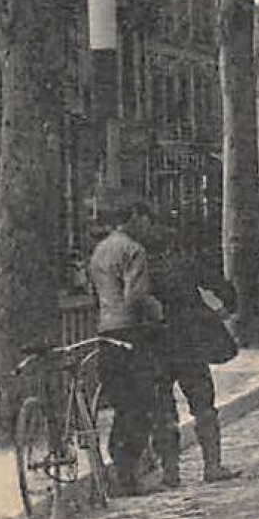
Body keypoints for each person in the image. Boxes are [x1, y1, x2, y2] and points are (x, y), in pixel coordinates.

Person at [149, 223, 242, 486]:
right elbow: (222, 287)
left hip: (158, 341)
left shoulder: (146, 270)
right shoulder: (186, 264)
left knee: (163, 409)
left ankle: (171, 472)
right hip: (190, 342)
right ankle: (212, 466)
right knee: (203, 404)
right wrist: (225, 311)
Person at [88, 199, 164, 495]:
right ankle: (127, 476)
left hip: (106, 332)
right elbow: (136, 297)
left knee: (121, 403)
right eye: (145, 220)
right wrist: (157, 312)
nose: (147, 227)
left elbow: (98, 296)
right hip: (131, 333)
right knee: (139, 404)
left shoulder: (99, 251)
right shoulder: (134, 250)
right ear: (134, 217)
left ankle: (121, 469)